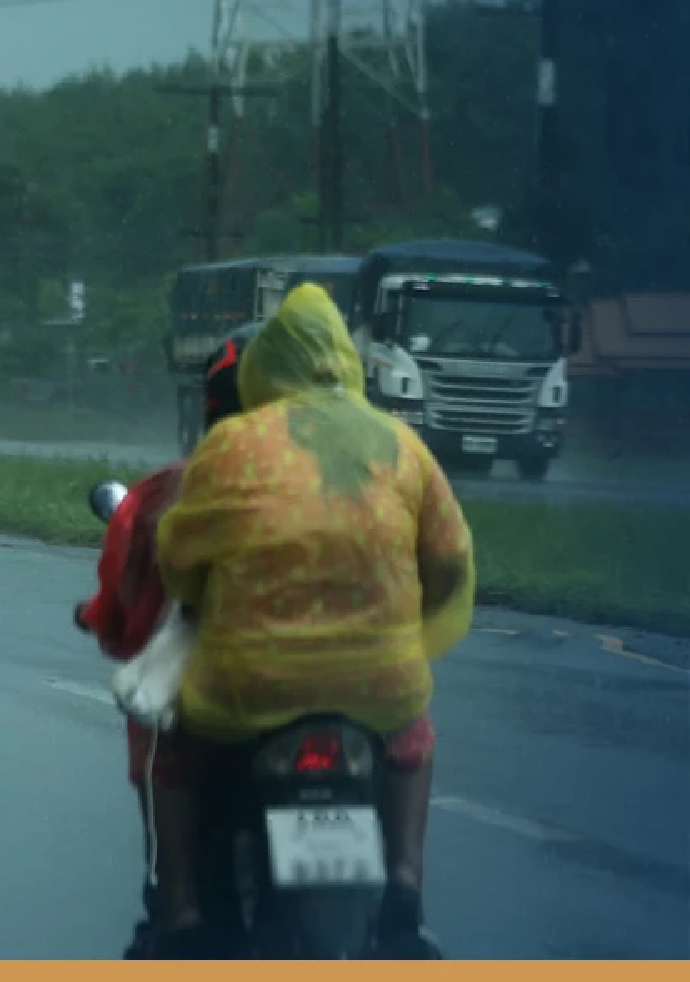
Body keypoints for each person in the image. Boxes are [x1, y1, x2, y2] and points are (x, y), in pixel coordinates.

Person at [151, 283, 475, 959]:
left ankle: (179, 911)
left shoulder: (232, 444)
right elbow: (448, 557)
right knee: (413, 740)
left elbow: (180, 557)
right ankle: (406, 893)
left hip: (248, 685)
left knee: (176, 750)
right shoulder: (401, 444)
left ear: (266, 368)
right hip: (376, 688)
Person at [75, 324, 257, 959]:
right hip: (356, 694)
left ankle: (177, 908)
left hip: (226, 703)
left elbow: (125, 615)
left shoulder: (168, 494)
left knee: (162, 740)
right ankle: (403, 897)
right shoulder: (366, 482)